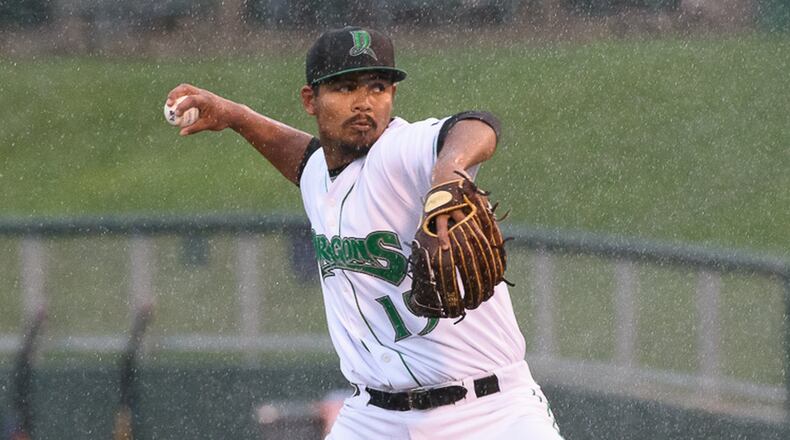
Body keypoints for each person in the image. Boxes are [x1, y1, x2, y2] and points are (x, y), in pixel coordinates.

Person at [166, 26, 562, 440]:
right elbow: (305, 161)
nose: (364, 103)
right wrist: (235, 116)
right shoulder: (320, 175)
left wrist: (447, 174)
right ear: (310, 101)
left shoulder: (400, 152)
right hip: (374, 418)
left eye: (378, 87)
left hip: (488, 413)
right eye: (344, 87)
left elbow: (477, 125)